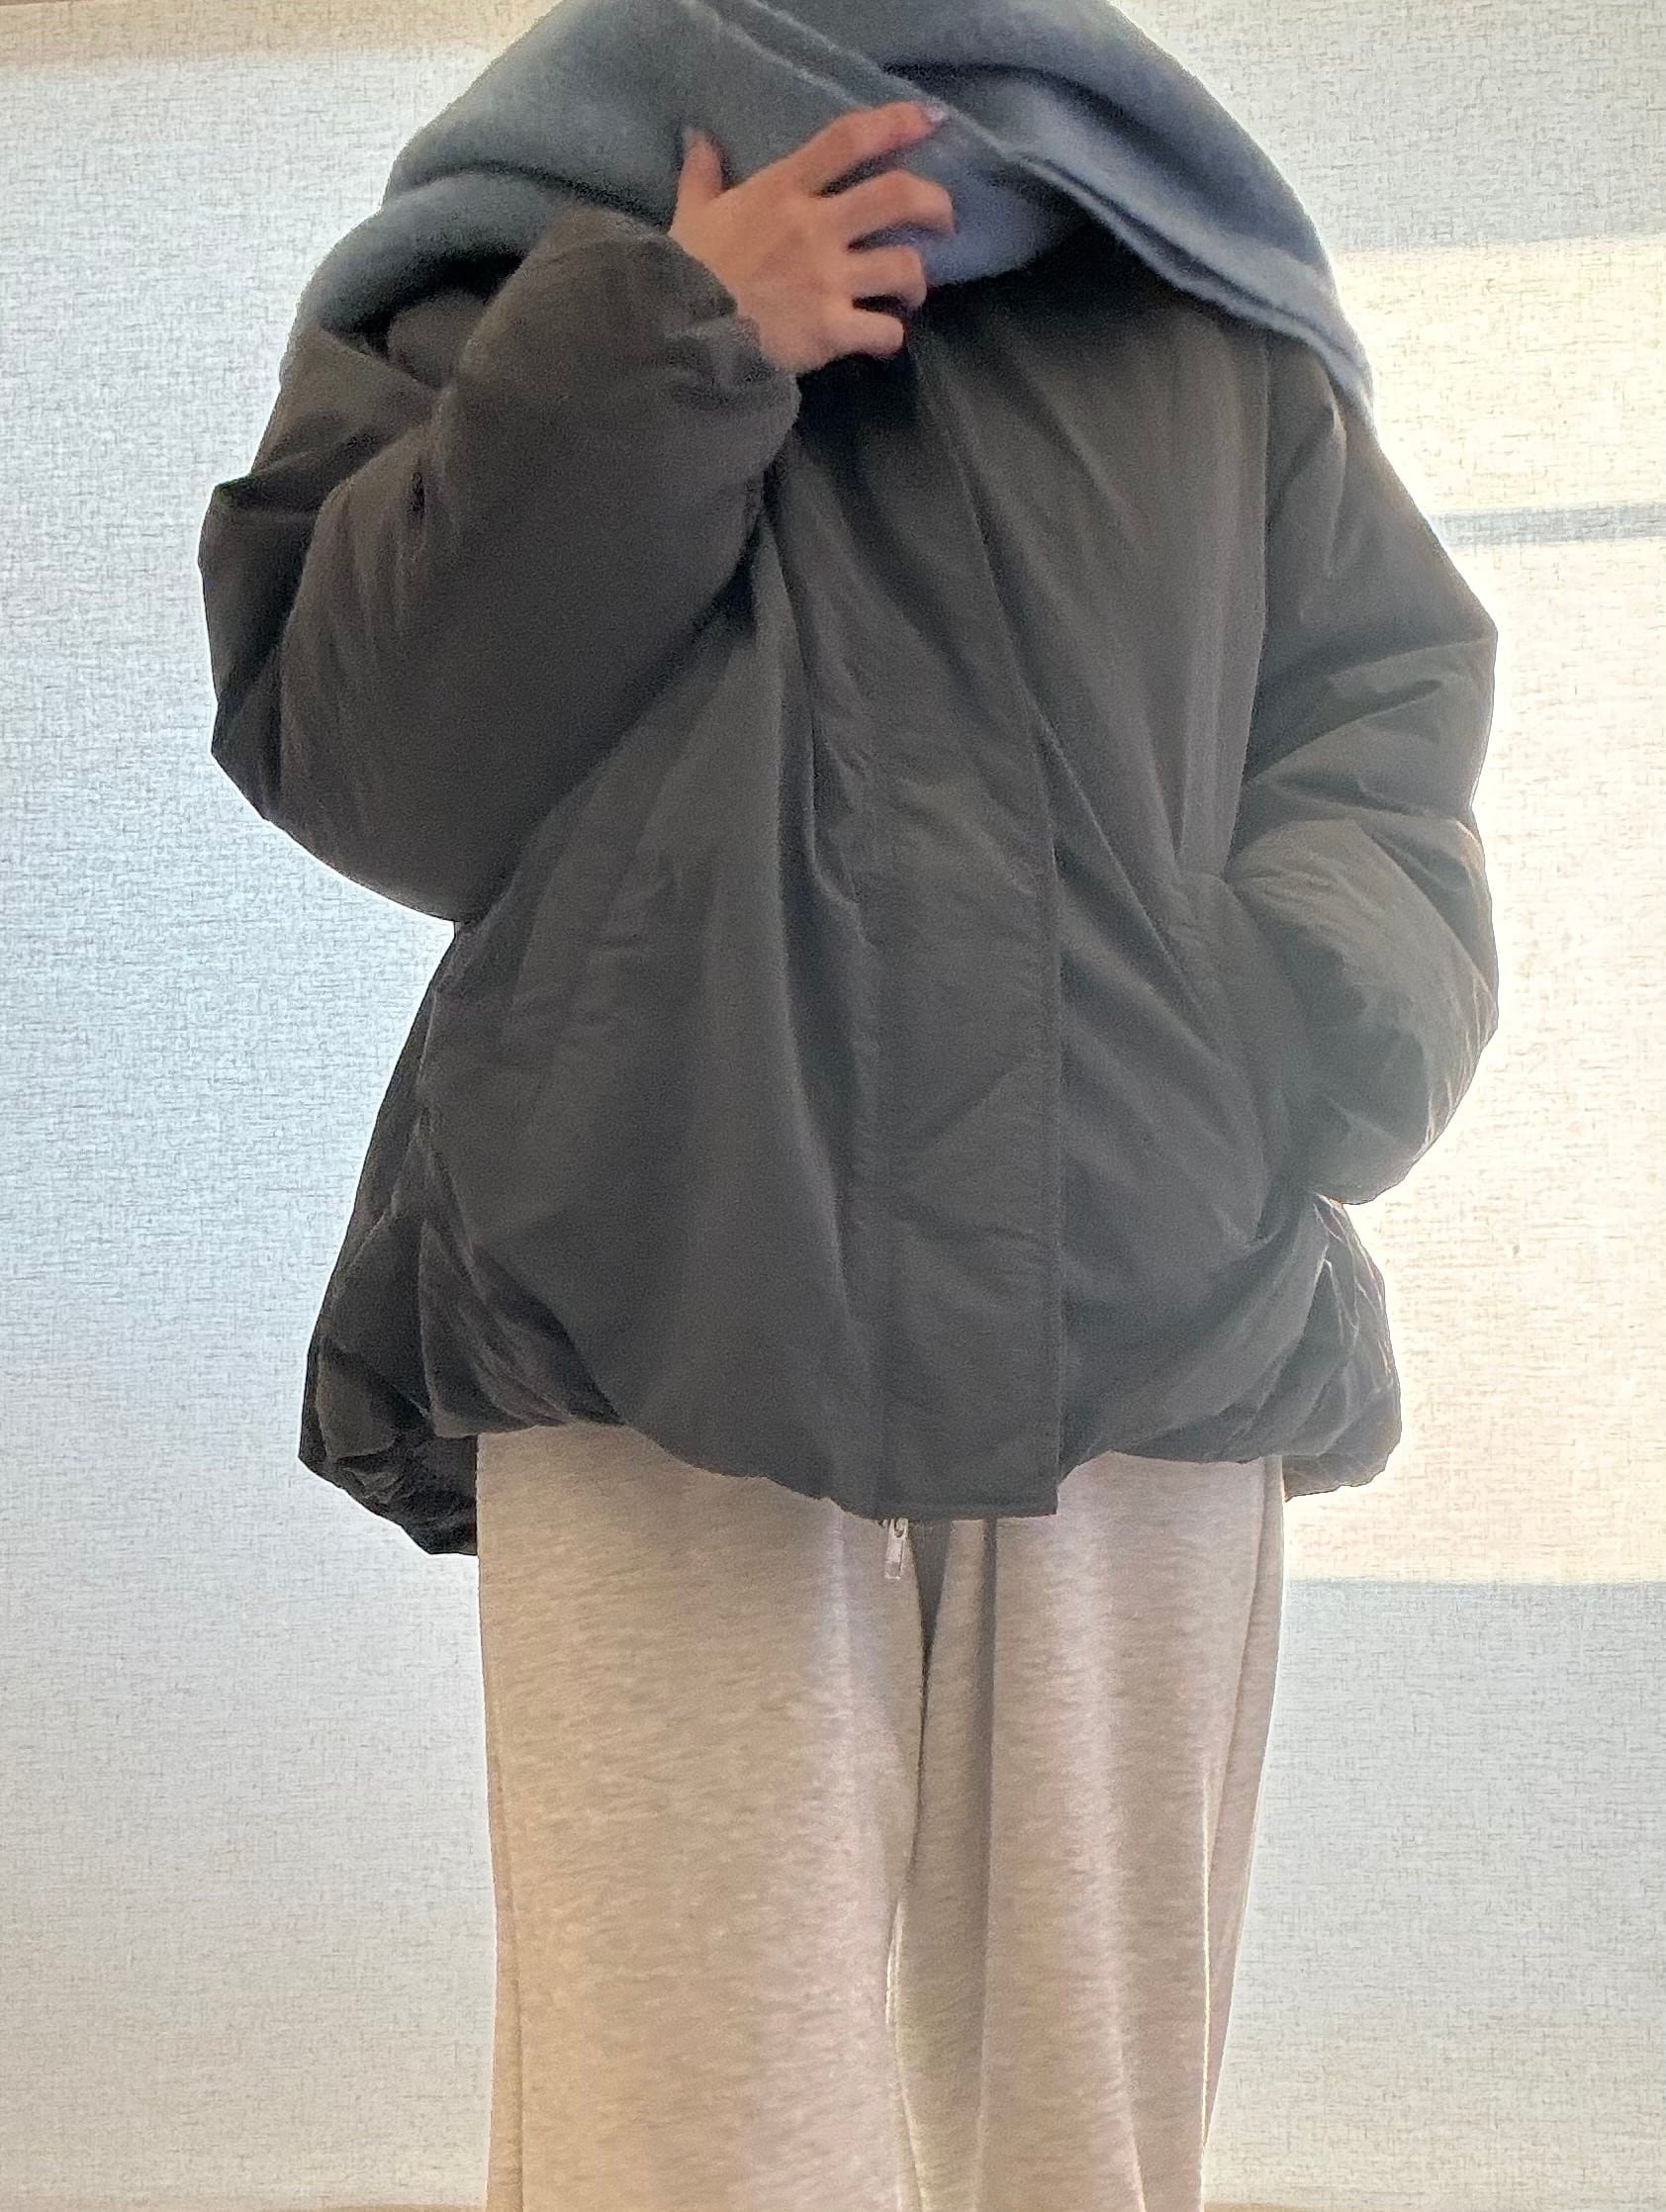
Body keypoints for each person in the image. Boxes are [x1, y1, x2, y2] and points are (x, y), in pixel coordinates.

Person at [199, 90, 1497, 2212]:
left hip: (1145, 1275)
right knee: (673, 2137)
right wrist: (670, 344)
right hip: (652, 1266)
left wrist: (1275, 1046)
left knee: (1087, 2137)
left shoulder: (1191, 293)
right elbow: (367, 758)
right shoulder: (495, 277)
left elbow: (1377, 718)